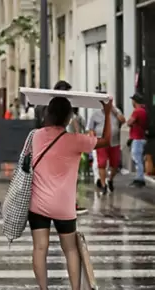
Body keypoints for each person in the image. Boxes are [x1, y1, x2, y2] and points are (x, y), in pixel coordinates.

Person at [28, 96, 112, 290]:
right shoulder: (76, 141)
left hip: (38, 203)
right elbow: (107, 140)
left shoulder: (36, 136)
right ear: (67, 117)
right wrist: (107, 113)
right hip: (64, 206)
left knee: (40, 248)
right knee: (71, 249)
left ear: (48, 114)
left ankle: (43, 288)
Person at [88, 103, 125, 194]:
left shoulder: (116, 111)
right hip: (101, 142)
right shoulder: (95, 114)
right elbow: (91, 128)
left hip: (114, 142)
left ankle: (110, 180)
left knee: (115, 164)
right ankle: (103, 185)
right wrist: (93, 138)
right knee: (102, 163)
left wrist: (115, 112)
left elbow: (123, 121)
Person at [127, 93, 148, 187]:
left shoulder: (137, 111)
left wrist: (129, 122)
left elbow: (129, 122)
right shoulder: (144, 111)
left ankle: (140, 179)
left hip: (137, 138)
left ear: (134, 101)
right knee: (138, 158)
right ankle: (138, 178)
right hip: (141, 137)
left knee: (137, 158)